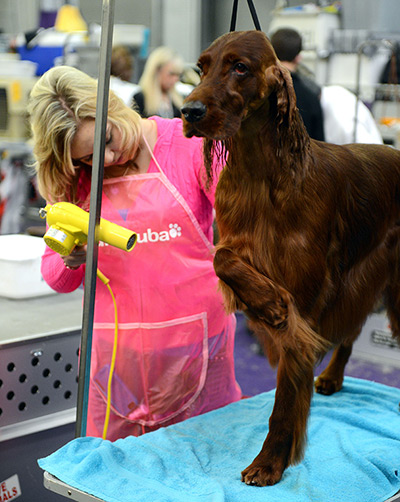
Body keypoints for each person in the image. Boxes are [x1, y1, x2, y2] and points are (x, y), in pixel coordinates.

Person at [28, 65, 242, 441]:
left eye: (107, 138)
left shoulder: (188, 144)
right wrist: (72, 258)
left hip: (199, 350)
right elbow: (56, 278)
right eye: (89, 158)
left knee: (211, 461)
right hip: (115, 365)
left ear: (112, 106)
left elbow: (246, 224)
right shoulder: (71, 179)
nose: (108, 158)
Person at [270, 27, 325, 141]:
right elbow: (320, 145)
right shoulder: (312, 95)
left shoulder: (260, 91)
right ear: (298, 58)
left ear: (272, 53)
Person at [133, 46, 184, 118]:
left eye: (178, 75)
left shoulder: (179, 100)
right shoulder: (140, 99)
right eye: (171, 74)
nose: (176, 79)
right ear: (157, 71)